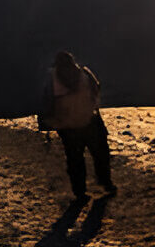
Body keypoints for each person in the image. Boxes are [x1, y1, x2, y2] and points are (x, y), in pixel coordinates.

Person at [40, 50, 115, 201]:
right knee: (100, 154)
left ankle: (80, 192)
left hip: (66, 126)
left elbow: (46, 101)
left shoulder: (52, 79)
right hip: (89, 121)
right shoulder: (84, 74)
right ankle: (105, 182)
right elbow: (96, 88)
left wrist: (48, 122)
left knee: (75, 159)